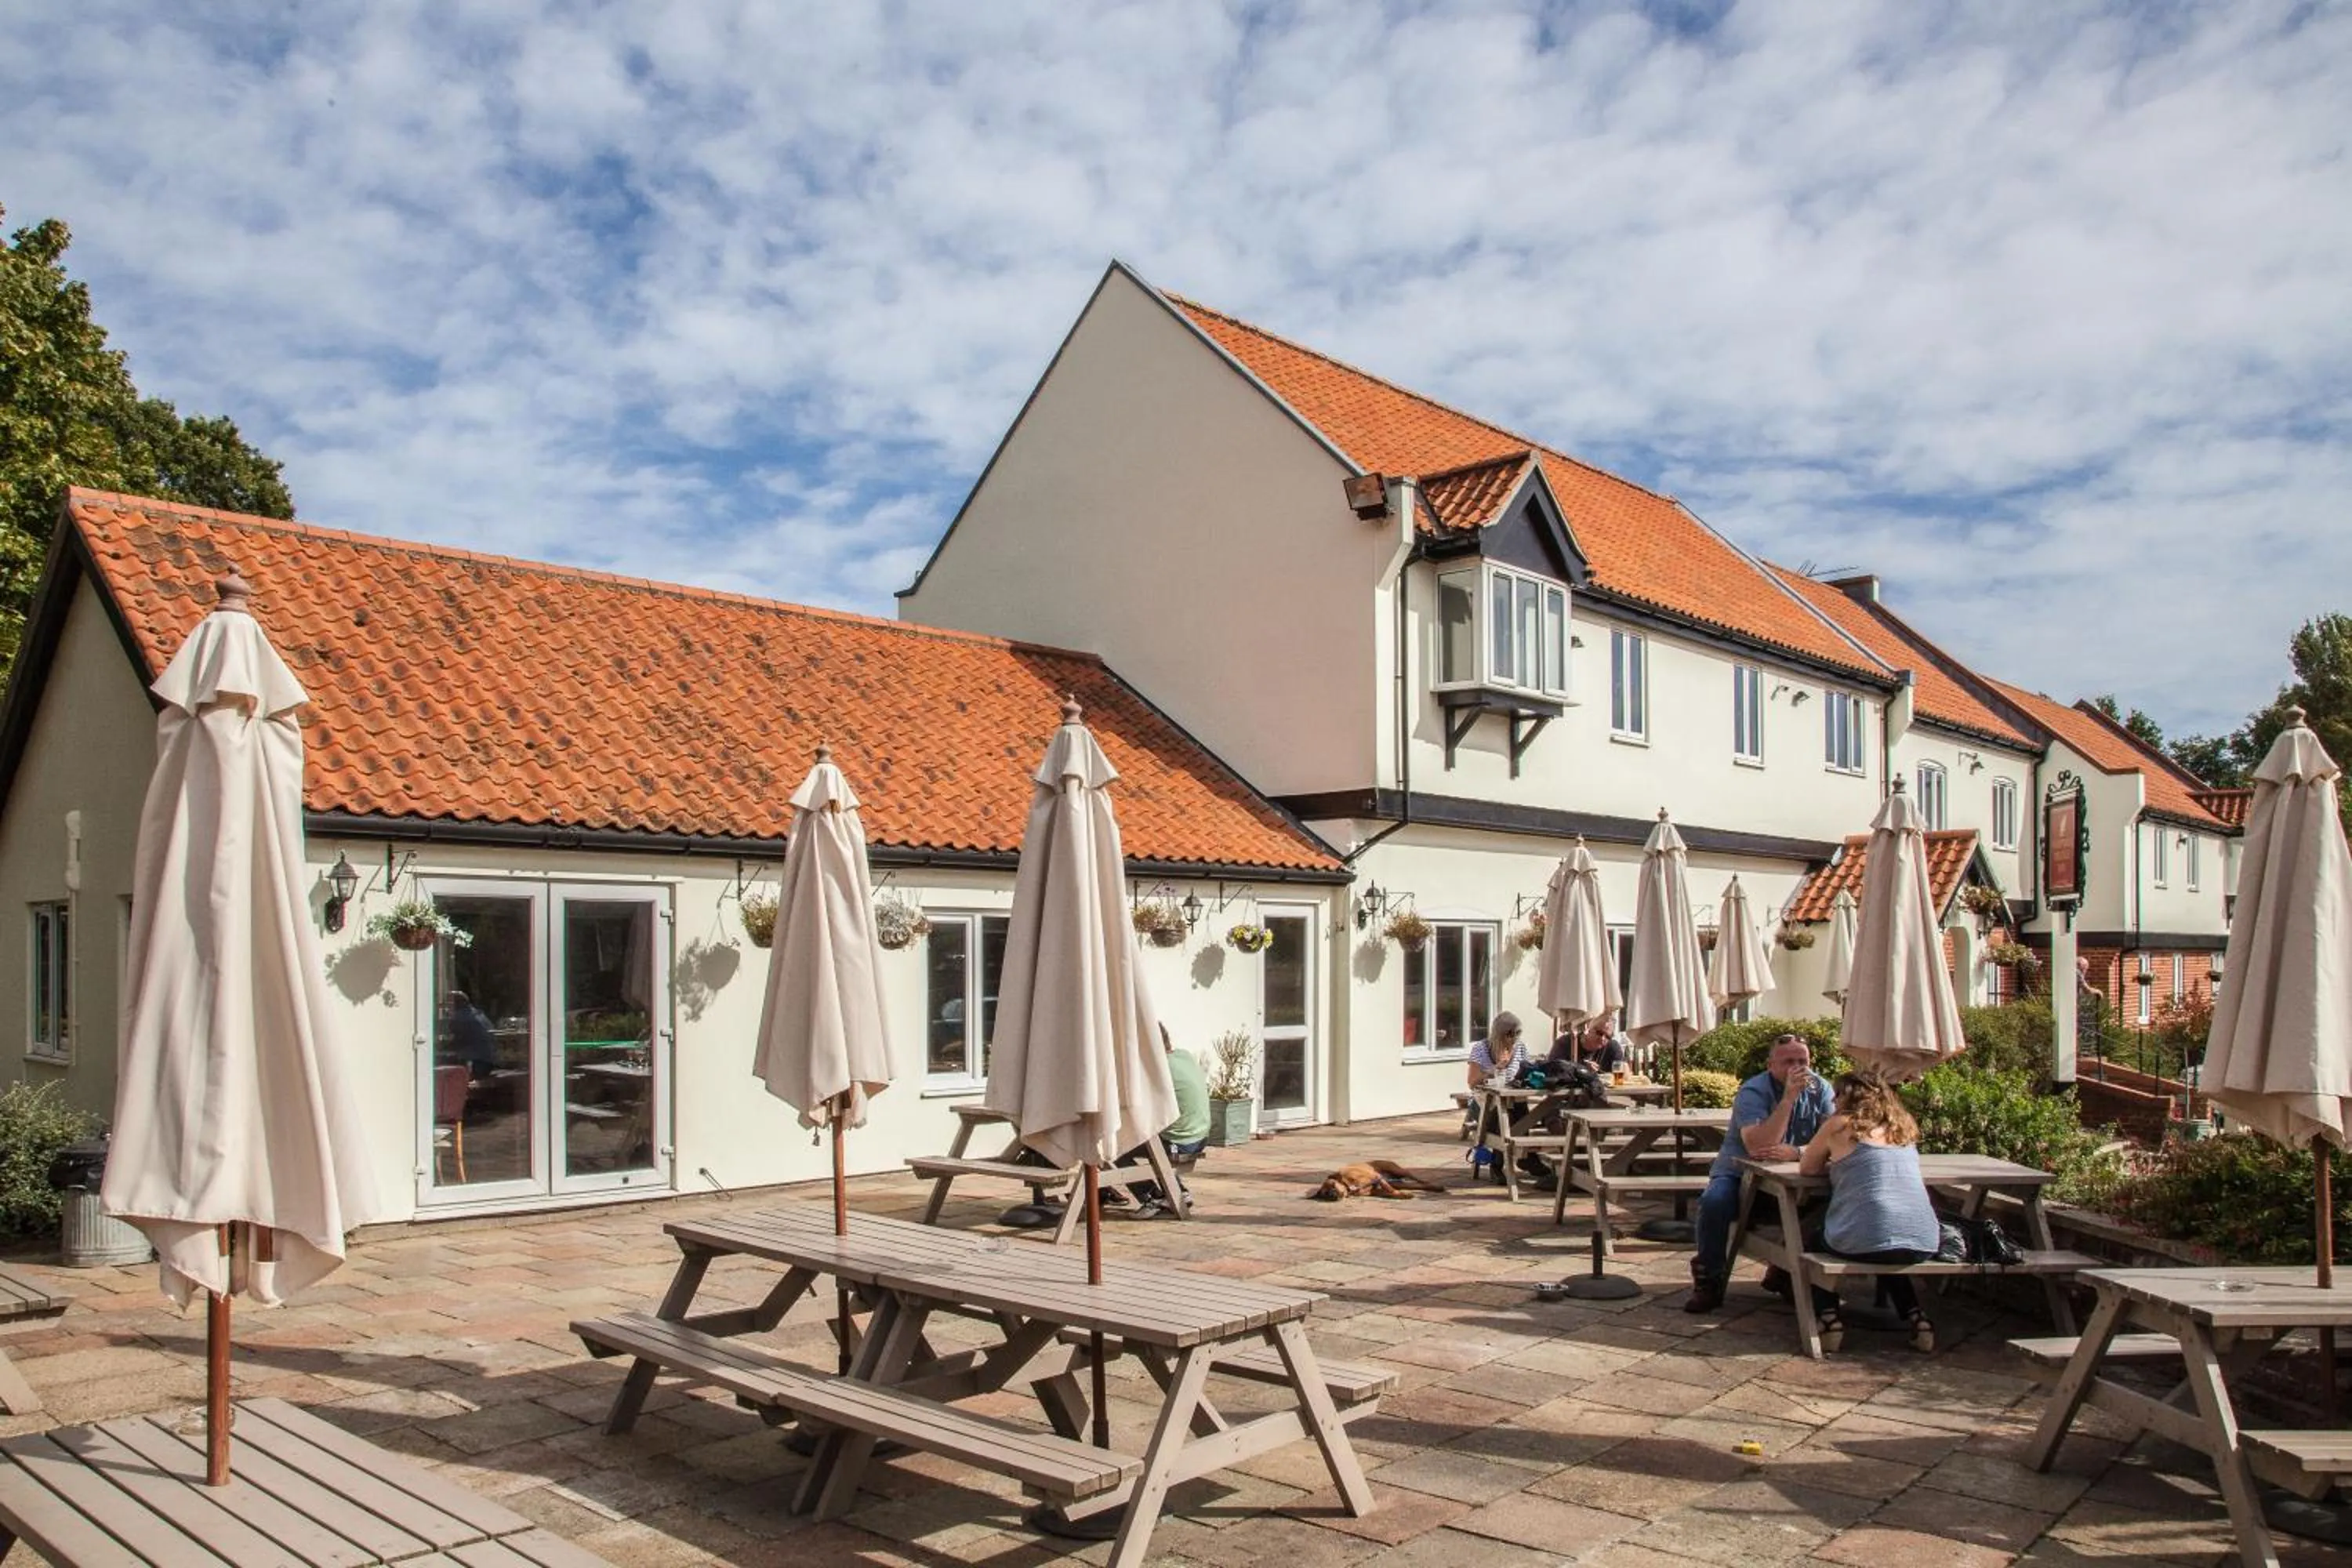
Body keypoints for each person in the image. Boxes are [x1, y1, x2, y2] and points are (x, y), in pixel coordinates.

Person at [1686, 1033, 1835, 1313]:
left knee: (1835, 1201)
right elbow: (1759, 1146)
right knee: (1714, 1202)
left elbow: (1834, 1138)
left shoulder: (1821, 1089)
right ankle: (1709, 1278)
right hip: (1738, 1173)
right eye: (1789, 1061)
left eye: (1803, 1061)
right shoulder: (1754, 1091)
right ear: (1771, 1066)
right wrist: (1789, 1099)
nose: (1797, 1067)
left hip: (1800, 1174)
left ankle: (1787, 1271)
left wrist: (1799, 1152)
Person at [1798, 1073, 1941, 1352]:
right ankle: (1916, 1317)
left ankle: (1828, 1318)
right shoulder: (1903, 1127)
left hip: (1866, 1240)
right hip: (1923, 1241)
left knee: (1814, 1239)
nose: (1832, 1100)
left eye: (1837, 1094)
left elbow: (1808, 1168)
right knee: (1886, 1242)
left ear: (1848, 1097)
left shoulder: (1838, 1126)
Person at [1127, 1025, 1210, 1219]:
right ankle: (1177, 1191)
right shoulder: (1184, 1056)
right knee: (1149, 1137)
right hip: (1200, 1137)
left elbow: (1135, 1105)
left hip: (1180, 1143)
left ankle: (1153, 1197)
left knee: (1115, 1149)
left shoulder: (1159, 1070)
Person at [445, 990, 496, 1080]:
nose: (447, 1007)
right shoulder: (478, 1013)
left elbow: (455, 1042)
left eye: (448, 1003)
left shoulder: (459, 1018)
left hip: (476, 1064)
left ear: (455, 1004)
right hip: (489, 1062)